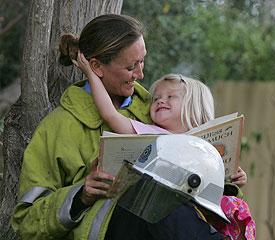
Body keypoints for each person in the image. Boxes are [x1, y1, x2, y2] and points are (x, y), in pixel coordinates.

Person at [12, 14, 226, 240]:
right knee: (151, 199)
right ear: (96, 67)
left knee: (162, 202)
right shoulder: (58, 127)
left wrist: (227, 180)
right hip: (110, 231)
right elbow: (26, 223)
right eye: (131, 66)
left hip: (170, 227)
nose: (141, 74)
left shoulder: (157, 111)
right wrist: (81, 195)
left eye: (142, 61)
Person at [73, 52, 256, 239]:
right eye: (157, 98)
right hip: (156, 214)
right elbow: (110, 114)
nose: (161, 100)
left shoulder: (205, 147)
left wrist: (234, 178)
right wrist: (92, 74)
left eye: (171, 96)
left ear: (193, 107)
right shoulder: (149, 133)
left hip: (195, 215)